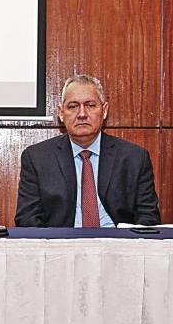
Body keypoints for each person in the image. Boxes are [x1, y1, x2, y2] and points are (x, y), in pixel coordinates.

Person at [15, 74, 160, 227]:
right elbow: (27, 219)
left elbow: (148, 217)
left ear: (104, 111)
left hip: (117, 245)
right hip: (61, 246)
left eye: (90, 105)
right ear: (61, 113)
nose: (82, 114)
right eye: (73, 106)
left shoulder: (134, 158)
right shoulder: (37, 158)